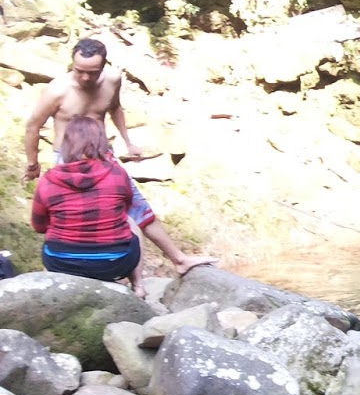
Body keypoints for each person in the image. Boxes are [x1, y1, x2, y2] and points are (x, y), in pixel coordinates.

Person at [22, 38, 216, 274]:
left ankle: (178, 259)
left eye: (91, 73)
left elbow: (115, 108)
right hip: (67, 158)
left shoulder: (112, 79)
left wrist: (127, 141)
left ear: (103, 67)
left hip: (103, 154)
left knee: (138, 206)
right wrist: (33, 163)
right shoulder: (57, 90)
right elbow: (33, 126)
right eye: (79, 71)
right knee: (69, 211)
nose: (84, 78)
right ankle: (66, 266)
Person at [31, 117, 143, 291]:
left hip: (61, 263)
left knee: (52, 239)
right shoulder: (117, 173)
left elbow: (39, 226)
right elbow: (126, 208)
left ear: (66, 144)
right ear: (101, 143)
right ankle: (138, 286)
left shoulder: (48, 180)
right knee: (131, 222)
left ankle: (53, 291)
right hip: (114, 263)